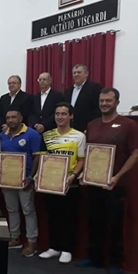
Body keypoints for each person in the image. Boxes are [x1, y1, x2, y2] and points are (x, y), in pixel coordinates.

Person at [78, 88, 138, 274]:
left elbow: (136, 153)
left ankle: (114, 262)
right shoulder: (92, 124)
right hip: (93, 182)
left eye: (108, 101)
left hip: (115, 184)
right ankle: (94, 258)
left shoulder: (128, 125)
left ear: (117, 103)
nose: (104, 104)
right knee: (94, 221)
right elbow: (89, 152)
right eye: (102, 101)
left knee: (114, 224)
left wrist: (117, 177)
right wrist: (84, 174)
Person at [38, 103, 86, 264]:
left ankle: (67, 249)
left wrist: (73, 175)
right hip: (51, 183)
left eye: (64, 114)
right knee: (52, 216)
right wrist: (40, 175)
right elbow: (44, 159)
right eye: (57, 114)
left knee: (69, 218)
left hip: (69, 184)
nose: (60, 117)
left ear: (71, 116)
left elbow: (81, 160)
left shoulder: (79, 136)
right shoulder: (47, 135)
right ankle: (54, 247)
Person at [0, 109, 41, 257]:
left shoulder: (32, 134)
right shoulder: (2, 135)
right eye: (8, 118)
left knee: (28, 210)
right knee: (11, 210)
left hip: (25, 180)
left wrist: (31, 177)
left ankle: (31, 242)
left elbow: (36, 157)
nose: (11, 120)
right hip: (7, 180)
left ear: (21, 118)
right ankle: (15, 237)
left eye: (13, 117)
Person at [63, 64, 102, 132]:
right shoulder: (68, 91)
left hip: (86, 128)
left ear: (86, 73)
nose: (76, 74)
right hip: (69, 128)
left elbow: (97, 110)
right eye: (74, 73)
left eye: (79, 72)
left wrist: (91, 127)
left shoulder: (94, 88)